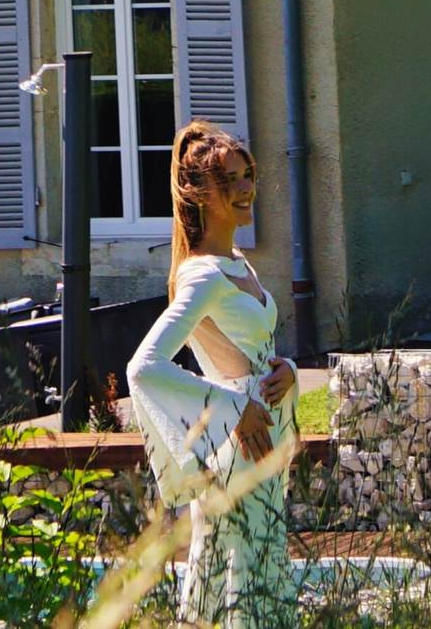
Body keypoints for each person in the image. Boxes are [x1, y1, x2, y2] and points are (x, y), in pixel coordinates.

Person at [127, 120, 300, 626]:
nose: (246, 189)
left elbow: (251, 351)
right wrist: (232, 408)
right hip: (236, 448)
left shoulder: (238, 264)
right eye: (231, 180)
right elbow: (144, 365)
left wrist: (286, 369)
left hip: (259, 440)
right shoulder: (202, 274)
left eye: (248, 176)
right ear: (199, 193)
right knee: (243, 574)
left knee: (251, 568)